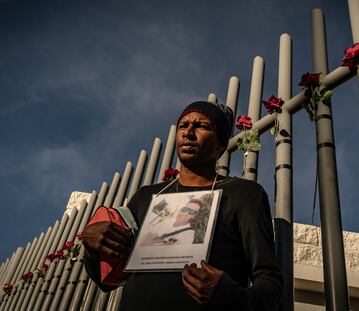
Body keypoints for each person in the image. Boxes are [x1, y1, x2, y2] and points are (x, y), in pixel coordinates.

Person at [82, 100, 283, 310]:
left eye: (201, 126)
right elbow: (105, 281)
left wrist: (231, 295)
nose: (188, 132)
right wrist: (92, 248)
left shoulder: (244, 194)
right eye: (182, 126)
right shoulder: (146, 196)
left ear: (221, 145)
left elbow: (270, 283)